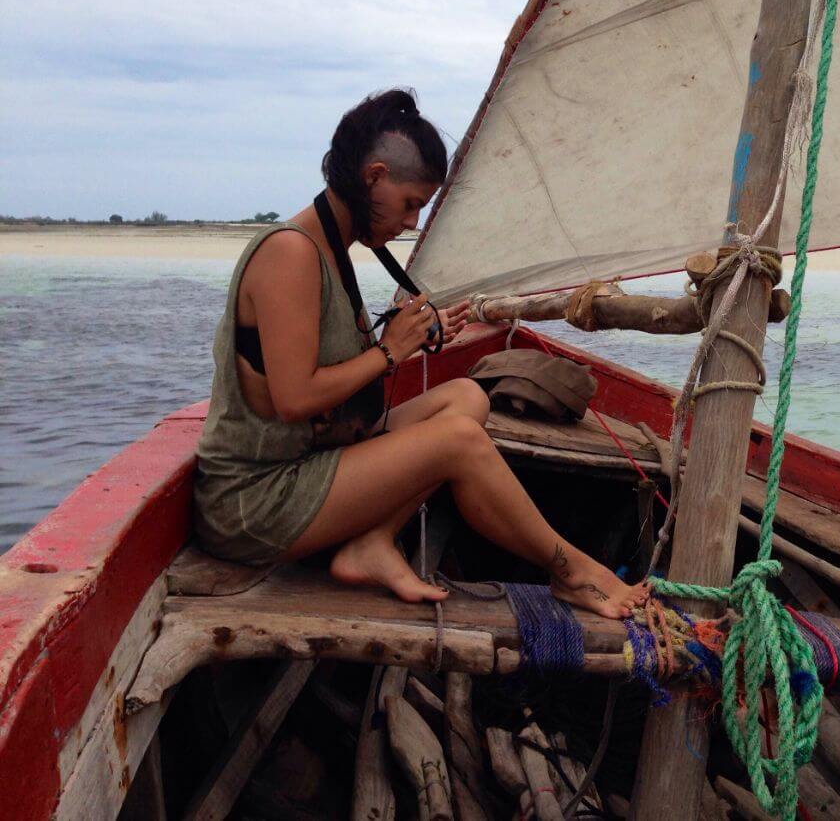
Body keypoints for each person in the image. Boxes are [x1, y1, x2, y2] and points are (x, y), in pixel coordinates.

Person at [194, 89, 648, 618]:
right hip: (255, 501)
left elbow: (339, 383)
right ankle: (573, 571)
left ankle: (371, 544)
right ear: (374, 177)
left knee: (464, 400)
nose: (410, 223)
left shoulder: (333, 252)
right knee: (457, 441)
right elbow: (295, 399)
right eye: (410, 204)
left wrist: (415, 337)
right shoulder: (291, 253)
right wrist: (391, 350)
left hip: (312, 459)